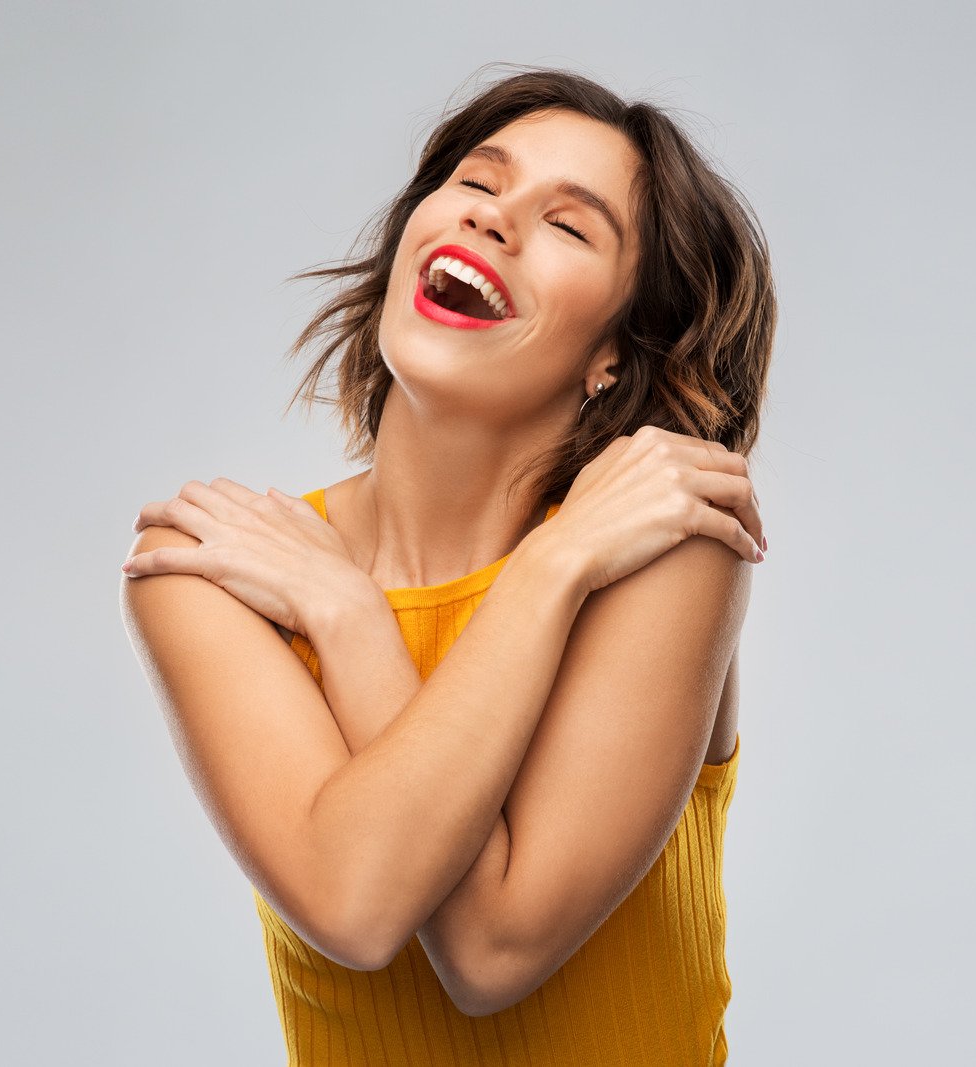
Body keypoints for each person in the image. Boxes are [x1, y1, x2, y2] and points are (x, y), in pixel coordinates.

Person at [120, 65, 775, 1066]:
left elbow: (493, 946)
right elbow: (356, 897)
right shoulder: (211, 570)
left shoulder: (664, 547)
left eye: (569, 226)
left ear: (616, 350)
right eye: (477, 183)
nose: (494, 223)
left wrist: (370, 609)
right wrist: (349, 600)